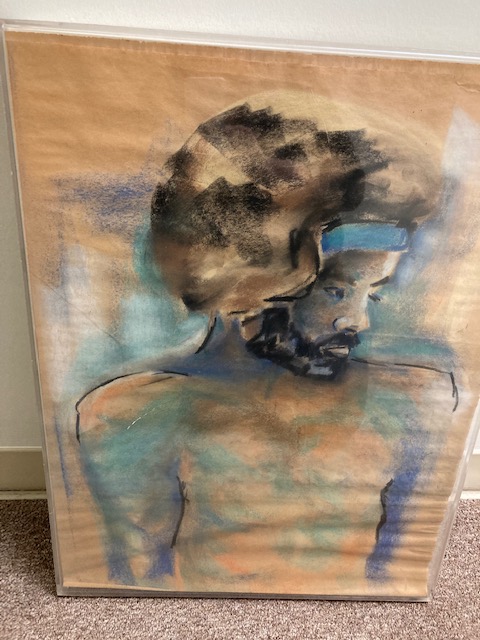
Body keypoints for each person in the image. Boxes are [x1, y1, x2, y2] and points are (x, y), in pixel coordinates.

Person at [76, 92, 457, 597]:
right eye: (335, 291)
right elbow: (143, 590)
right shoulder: (134, 414)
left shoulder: (417, 404)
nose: (357, 320)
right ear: (245, 284)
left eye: (374, 292)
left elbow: (400, 578)